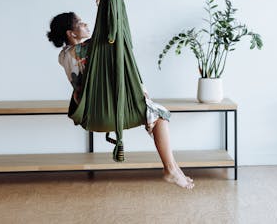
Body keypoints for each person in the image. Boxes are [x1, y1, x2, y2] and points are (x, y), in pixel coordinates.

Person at [47, 11, 194, 189]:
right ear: (71, 33)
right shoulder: (81, 50)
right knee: (160, 116)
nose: (86, 25)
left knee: (156, 115)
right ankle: (170, 169)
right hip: (100, 110)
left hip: (91, 112)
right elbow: (106, 37)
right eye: (80, 23)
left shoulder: (63, 56)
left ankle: (175, 169)